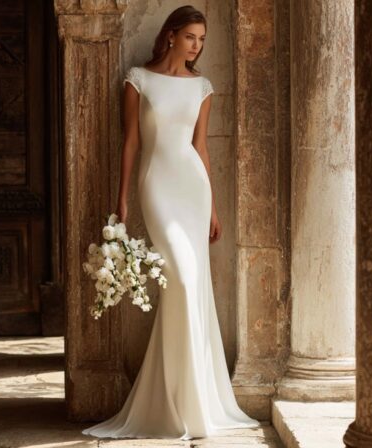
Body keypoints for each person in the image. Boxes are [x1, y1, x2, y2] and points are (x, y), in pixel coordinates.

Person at [81, 5, 260, 441]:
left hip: (193, 189)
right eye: (190, 37)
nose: (197, 45)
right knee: (180, 278)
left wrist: (214, 208)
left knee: (193, 284)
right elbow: (131, 141)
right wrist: (121, 199)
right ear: (171, 36)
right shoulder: (138, 79)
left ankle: (191, 401)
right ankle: (174, 402)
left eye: (202, 39)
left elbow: (200, 148)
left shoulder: (202, 86)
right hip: (156, 186)